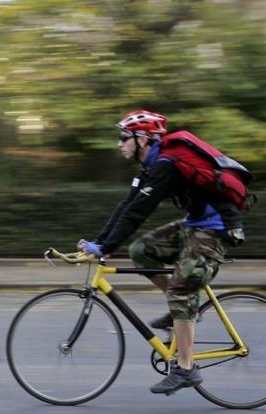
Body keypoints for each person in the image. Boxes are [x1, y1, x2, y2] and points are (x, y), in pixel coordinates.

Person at [77, 110, 245, 396]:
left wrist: (105, 247)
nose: (119, 144)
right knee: (141, 251)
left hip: (217, 230)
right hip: (194, 226)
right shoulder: (151, 167)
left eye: (123, 138)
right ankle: (179, 310)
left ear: (142, 139)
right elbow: (127, 206)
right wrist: (100, 242)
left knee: (182, 289)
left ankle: (186, 368)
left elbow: (139, 212)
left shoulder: (166, 164)